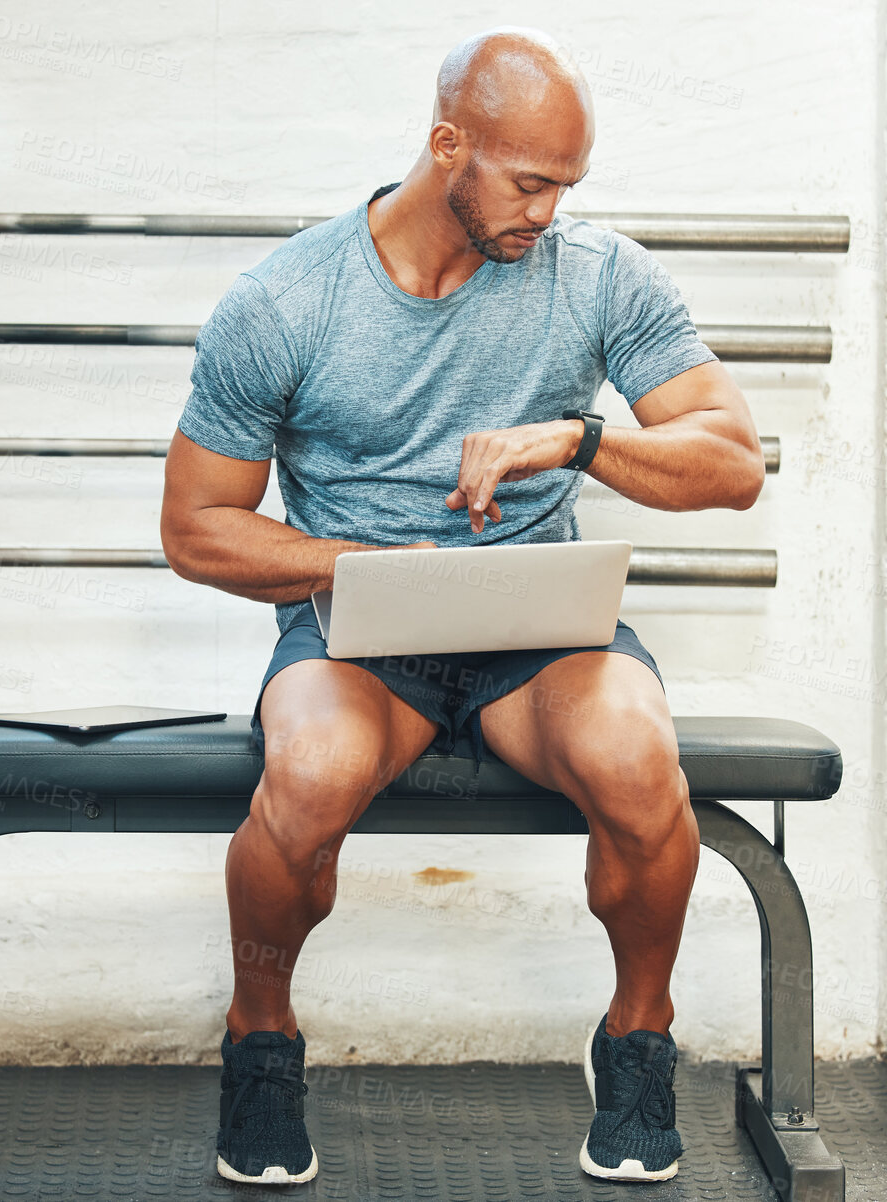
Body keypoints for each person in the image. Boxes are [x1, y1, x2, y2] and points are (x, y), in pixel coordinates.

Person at [160, 24, 765, 1186]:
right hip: (358, 629)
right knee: (309, 775)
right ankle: (261, 1036)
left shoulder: (596, 275)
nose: (549, 211)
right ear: (450, 147)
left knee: (640, 758)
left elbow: (733, 464)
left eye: (568, 186)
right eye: (531, 181)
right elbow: (196, 526)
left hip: (535, 636)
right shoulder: (286, 301)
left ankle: (637, 1036)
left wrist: (581, 440)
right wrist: (360, 569)